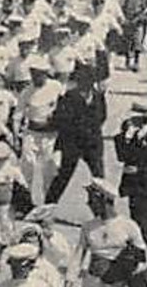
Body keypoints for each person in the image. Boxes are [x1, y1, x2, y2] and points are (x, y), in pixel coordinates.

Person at [113, 103, 147, 277]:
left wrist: (140, 171)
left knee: (142, 229)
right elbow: (121, 156)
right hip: (134, 189)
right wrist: (125, 138)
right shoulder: (132, 135)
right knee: (136, 226)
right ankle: (139, 262)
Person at [45, 63, 108, 204]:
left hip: (92, 144)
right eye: (83, 81)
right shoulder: (69, 96)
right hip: (72, 143)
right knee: (62, 178)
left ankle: (104, 212)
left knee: (99, 179)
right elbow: (60, 120)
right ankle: (46, 210)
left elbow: (102, 116)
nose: (86, 84)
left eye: (89, 81)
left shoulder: (98, 97)